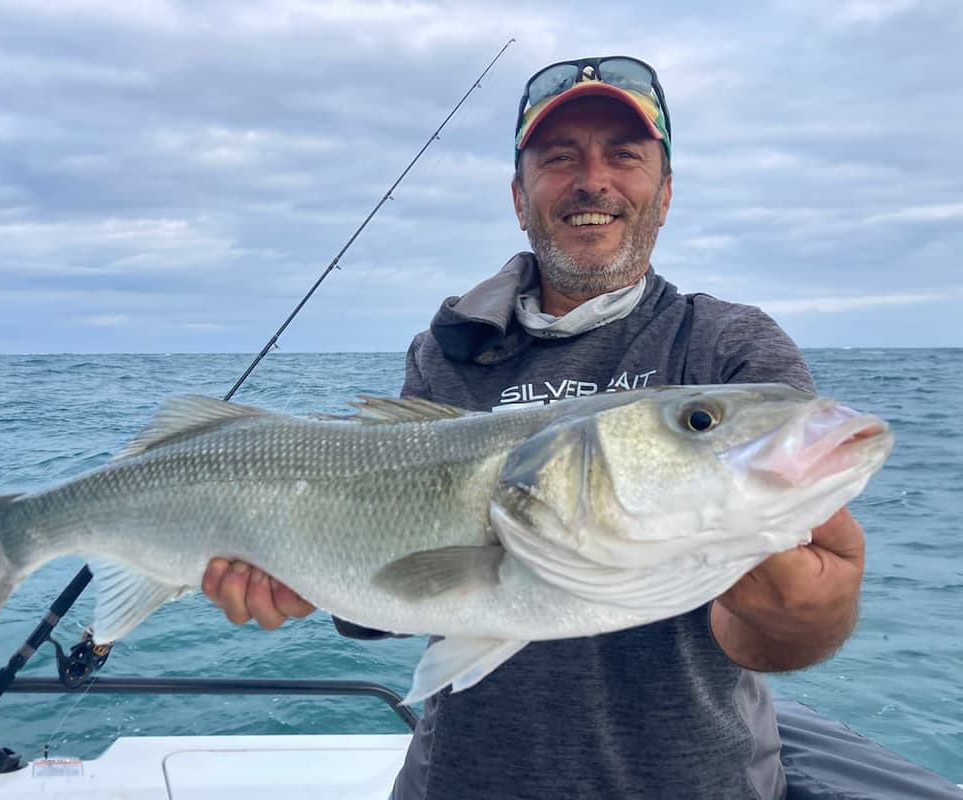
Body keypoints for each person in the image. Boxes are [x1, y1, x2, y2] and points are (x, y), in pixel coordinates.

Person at [202, 56, 963, 799]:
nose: (592, 181)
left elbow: (766, 633)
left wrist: (806, 610)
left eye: (624, 156)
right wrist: (303, 573)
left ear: (664, 194)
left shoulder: (730, 347)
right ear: (519, 195)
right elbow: (397, 606)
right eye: (559, 157)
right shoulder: (448, 351)